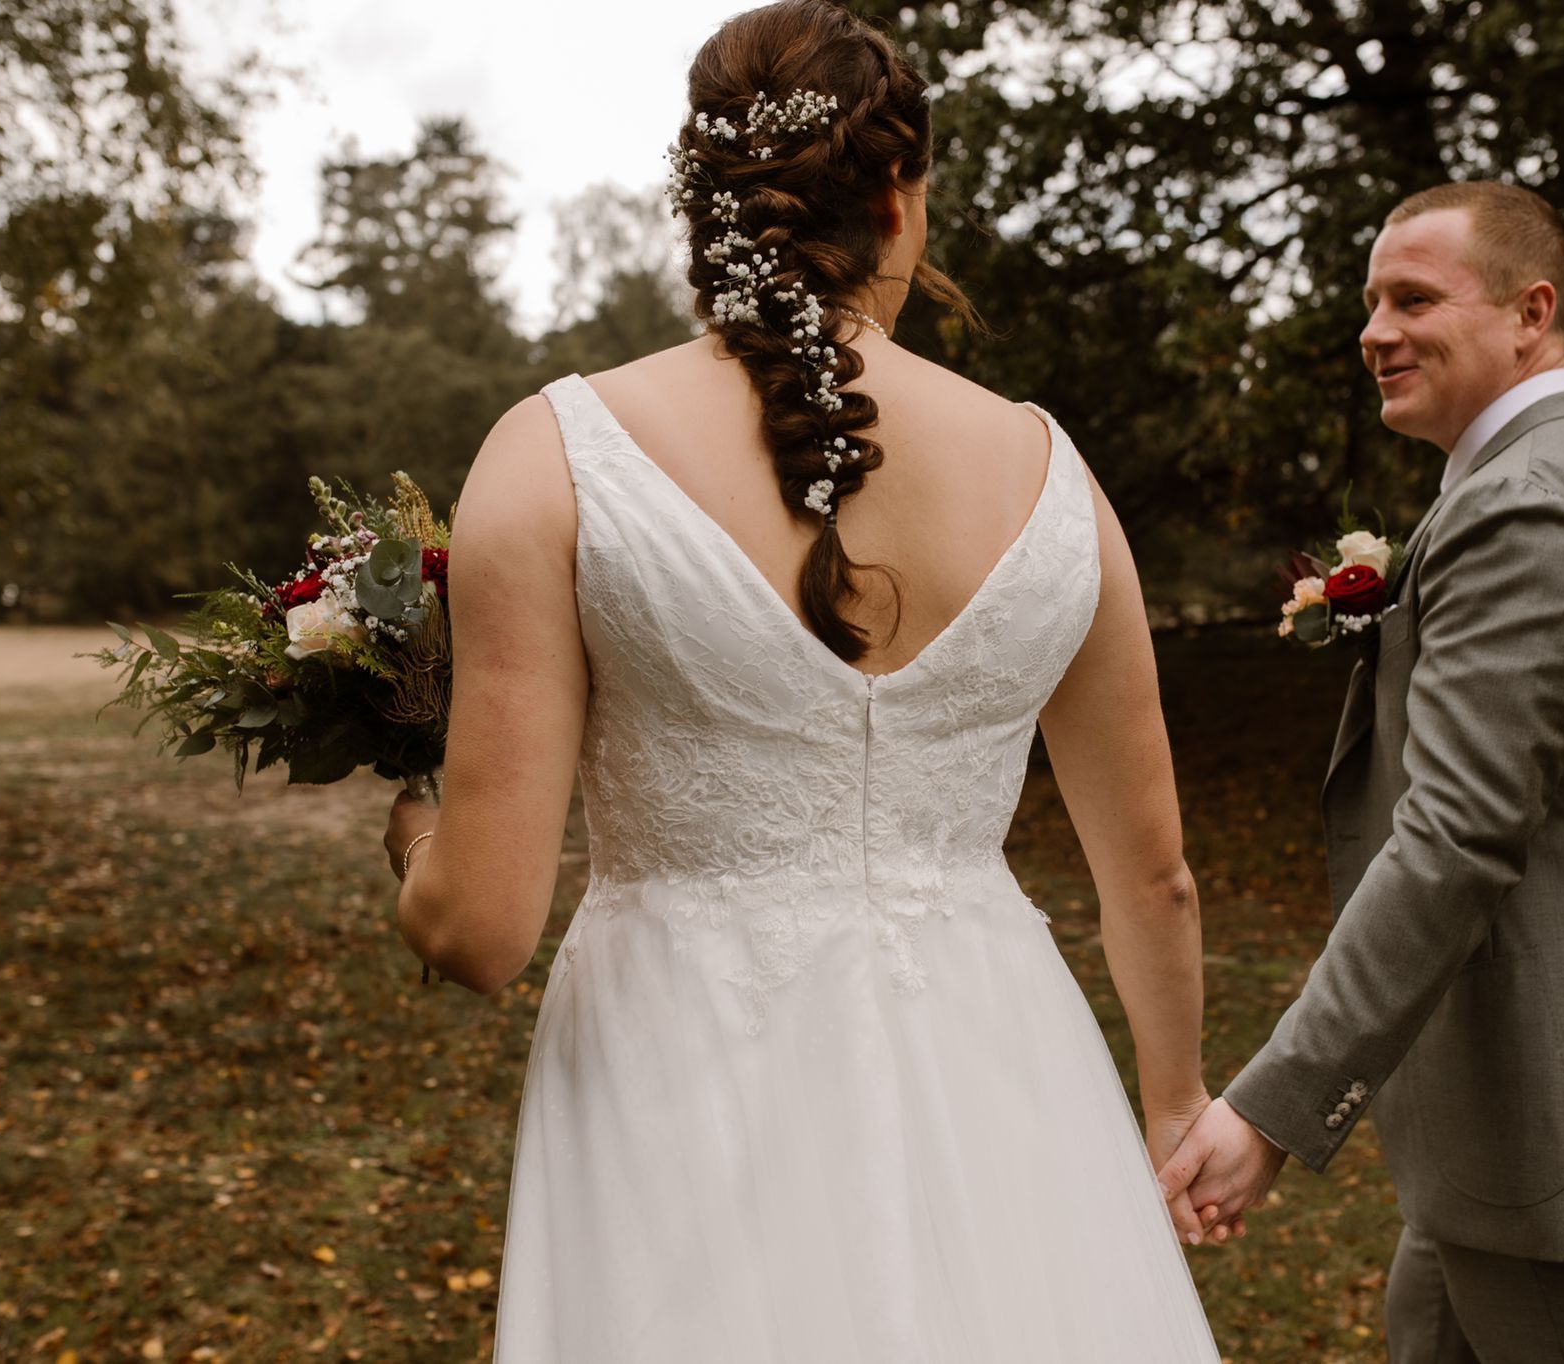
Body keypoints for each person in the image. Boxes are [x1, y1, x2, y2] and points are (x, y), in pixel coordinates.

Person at [380, 2, 1227, 1357]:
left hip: (680, 1086)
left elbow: (478, 930)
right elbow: (1156, 878)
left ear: (699, 206)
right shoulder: (1053, 474)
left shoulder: (554, 455)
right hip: (1002, 1078)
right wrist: (1173, 1099)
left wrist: (412, 822)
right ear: (902, 198)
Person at [1159, 181, 1564, 1361]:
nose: (1372, 330)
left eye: (1412, 297)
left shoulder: (1527, 509)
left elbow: (1451, 838)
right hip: (1519, 1116)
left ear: (1529, 312)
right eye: (1366, 302)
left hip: (1551, 1117)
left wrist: (1272, 1107)